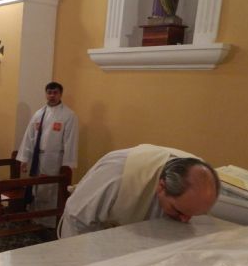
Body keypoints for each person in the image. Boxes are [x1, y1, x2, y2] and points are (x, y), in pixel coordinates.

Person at [58, 144, 219, 238]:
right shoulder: (117, 176)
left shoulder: (200, 180)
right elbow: (77, 219)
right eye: (178, 211)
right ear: (161, 187)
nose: (185, 220)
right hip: (93, 235)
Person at [16, 82, 79, 227]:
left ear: (60, 94)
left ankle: (50, 222)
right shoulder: (39, 114)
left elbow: (70, 142)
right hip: (37, 159)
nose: (52, 96)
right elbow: (29, 137)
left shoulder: (68, 115)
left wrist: (67, 166)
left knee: (51, 190)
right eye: (49, 92)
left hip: (55, 160)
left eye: (55, 93)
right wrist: (24, 159)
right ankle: (36, 219)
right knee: (37, 189)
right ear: (46, 94)